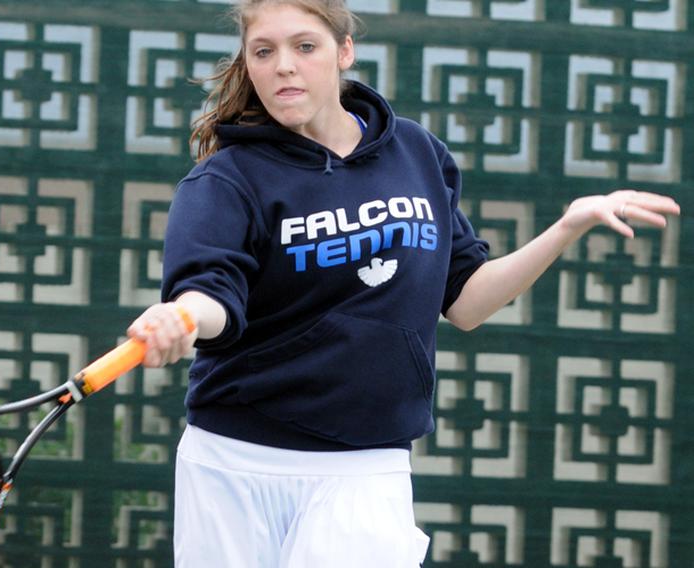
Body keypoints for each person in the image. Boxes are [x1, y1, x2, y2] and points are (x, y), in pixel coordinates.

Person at [125, 1, 681, 566]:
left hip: (367, 465)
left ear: (344, 51)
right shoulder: (224, 180)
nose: (283, 66)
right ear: (248, 63)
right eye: (263, 51)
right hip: (233, 461)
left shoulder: (416, 153)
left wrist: (567, 225)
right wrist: (183, 317)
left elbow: (465, 301)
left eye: (305, 46)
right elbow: (211, 292)